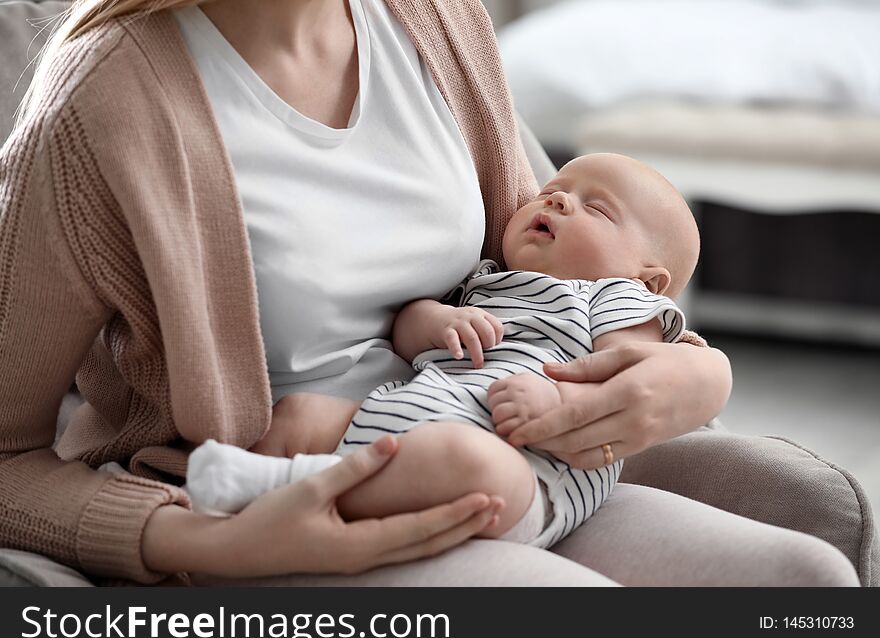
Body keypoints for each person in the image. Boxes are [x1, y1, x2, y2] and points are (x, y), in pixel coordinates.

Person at [0, 0, 858, 586]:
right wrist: (193, 536)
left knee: (806, 581)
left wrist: (697, 375)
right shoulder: (99, 106)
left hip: (504, 450)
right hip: (285, 500)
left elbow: (565, 278)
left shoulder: (434, 19)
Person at [184, 152, 696, 551]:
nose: (558, 201)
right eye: (552, 191)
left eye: (598, 209)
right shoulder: (486, 280)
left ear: (647, 279)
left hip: (526, 468)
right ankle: (235, 490)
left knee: (466, 461)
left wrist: (559, 405)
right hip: (400, 414)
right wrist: (438, 320)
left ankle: (278, 487)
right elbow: (406, 334)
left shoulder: (618, 300)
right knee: (298, 415)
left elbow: (626, 377)